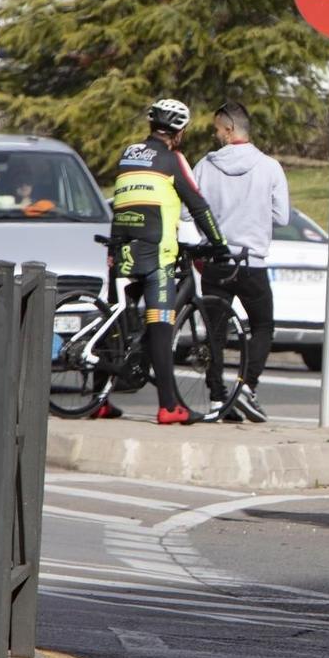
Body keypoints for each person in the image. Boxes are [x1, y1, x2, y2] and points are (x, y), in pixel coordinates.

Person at [109, 99, 227, 425]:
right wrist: (220, 243)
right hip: (157, 250)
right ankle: (168, 405)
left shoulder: (128, 155)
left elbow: (121, 200)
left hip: (121, 244)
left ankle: (98, 398)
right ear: (180, 131)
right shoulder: (172, 159)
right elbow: (198, 205)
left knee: (115, 321)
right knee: (161, 324)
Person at [194, 100, 289, 423]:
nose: (215, 135)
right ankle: (247, 386)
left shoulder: (205, 166)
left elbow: (188, 210)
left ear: (230, 129)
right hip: (252, 263)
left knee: (215, 333)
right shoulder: (269, 167)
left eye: (217, 129)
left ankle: (218, 398)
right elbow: (283, 216)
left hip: (216, 260)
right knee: (262, 326)